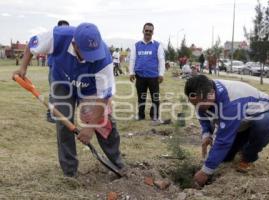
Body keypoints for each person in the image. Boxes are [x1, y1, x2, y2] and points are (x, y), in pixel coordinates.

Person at [12, 22, 125, 177]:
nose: (92, 59)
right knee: (64, 123)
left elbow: (104, 97)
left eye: (94, 53)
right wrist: (23, 67)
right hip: (62, 81)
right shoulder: (57, 36)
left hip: (90, 87)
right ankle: (70, 172)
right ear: (74, 44)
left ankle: (117, 164)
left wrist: (90, 127)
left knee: (103, 122)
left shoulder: (103, 58)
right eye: (87, 53)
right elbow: (32, 44)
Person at [184, 75, 269, 187]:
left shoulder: (230, 102)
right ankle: (243, 143)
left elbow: (223, 141)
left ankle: (248, 156)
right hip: (242, 124)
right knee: (225, 158)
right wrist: (207, 134)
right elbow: (203, 116)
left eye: (199, 104)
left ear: (211, 94)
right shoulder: (203, 92)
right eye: (194, 104)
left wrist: (205, 172)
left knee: (263, 124)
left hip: (268, 113)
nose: (197, 107)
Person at [129, 22, 165, 122]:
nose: (148, 32)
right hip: (140, 76)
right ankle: (141, 115)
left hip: (154, 76)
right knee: (141, 97)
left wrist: (161, 74)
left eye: (150, 31)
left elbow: (161, 60)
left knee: (155, 98)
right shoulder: (136, 45)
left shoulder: (157, 45)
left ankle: (155, 116)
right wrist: (131, 72)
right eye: (146, 30)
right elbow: (132, 59)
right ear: (143, 31)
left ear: (153, 32)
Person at [46, 20, 70, 123]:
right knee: (54, 92)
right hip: (54, 68)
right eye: (63, 27)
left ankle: (58, 113)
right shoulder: (53, 38)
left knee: (62, 93)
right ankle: (50, 114)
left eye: (66, 28)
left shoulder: (68, 40)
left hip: (64, 70)